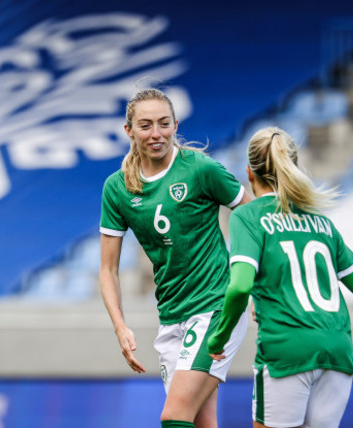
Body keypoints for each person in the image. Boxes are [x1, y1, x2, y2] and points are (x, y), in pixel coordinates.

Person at [207, 126, 353, 428]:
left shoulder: (247, 217)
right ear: (293, 167)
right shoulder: (322, 222)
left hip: (286, 350)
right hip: (338, 351)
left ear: (250, 174)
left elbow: (239, 287)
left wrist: (219, 336)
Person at [99, 88, 253, 428]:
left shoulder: (199, 169)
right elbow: (108, 269)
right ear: (129, 131)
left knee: (173, 416)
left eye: (164, 124)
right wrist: (120, 326)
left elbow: (253, 217)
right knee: (202, 422)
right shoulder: (117, 188)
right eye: (146, 125)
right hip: (171, 316)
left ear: (175, 124)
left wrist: (251, 282)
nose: (156, 134)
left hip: (216, 307)